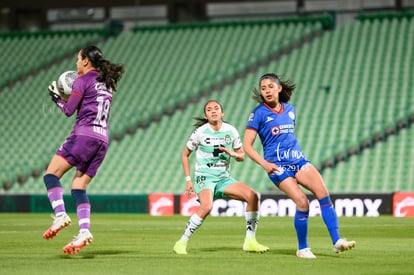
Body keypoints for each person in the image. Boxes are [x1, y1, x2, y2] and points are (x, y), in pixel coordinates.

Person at [243, 73, 356, 259]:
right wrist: (265, 164)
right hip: (278, 166)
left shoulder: (290, 109)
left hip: (299, 161)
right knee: (303, 202)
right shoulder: (258, 114)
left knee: (323, 194)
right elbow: (247, 145)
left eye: (270, 86)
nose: (267, 91)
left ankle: (337, 241)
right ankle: (302, 248)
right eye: (263, 88)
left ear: (279, 88)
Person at [43, 45, 124, 255]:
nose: (76, 63)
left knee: (51, 174)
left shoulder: (82, 80)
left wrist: (56, 98)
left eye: (78, 59)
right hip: (102, 140)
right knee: (79, 188)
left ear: (86, 61)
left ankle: (61, 215)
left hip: (83, 136)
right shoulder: (106, 83)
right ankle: (84, 231)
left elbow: (69, 110)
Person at [173, 100, 269, 254]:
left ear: (222, 113)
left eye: (216, 108)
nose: (213, 111)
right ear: (206, 115)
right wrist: (188, 180)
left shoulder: (231, 131)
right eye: (209, 109)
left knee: (253, 197)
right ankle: (181, 242)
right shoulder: (200, 132)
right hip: (204, 176)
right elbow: (185, 155)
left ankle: (250, 241)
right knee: (206, 207)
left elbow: (242, 156)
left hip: (223, 178)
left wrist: (234, 154)